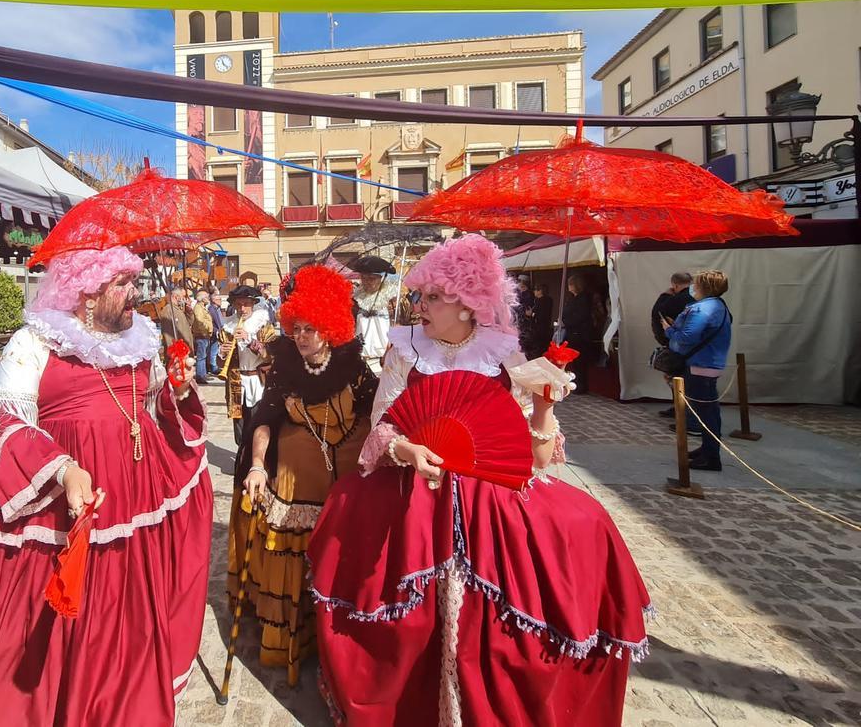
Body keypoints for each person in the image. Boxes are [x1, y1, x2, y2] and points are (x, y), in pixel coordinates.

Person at [307, 235, 651, 726]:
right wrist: (407, 449)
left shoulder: (505, 355)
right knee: (356, 522)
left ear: (468, 304)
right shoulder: (405, 348)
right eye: (419, 295)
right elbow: (382, 427)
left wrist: (544, 408)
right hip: (414, 487)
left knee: (587, 523)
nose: (419, 306)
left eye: (433, 297)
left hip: (491, 493)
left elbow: (536, 457)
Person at [0, 246, 212, 726]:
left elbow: (150, 407)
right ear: (88, 292)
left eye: (133, 281)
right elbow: (8, 422)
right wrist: (64, 469)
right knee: (65, 603)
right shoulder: (35, 341)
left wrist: (178, 388)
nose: (135, 292)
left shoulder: (141, 337)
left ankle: (119, 698)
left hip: (134, 491)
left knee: (126, 604)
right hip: (59, 496)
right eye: (122, 284)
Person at [228, 265, 377, 682]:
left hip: (343, 482)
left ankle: (342, 641)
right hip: (297, 482)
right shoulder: (284, 368)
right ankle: (298, 641)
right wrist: (258, 466)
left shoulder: (356, 369)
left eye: (311, 328)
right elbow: (264, 420)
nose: (302, 336)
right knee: (294, 560)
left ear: (330, 328)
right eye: (297, 328)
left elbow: (377, 416)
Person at [665, 269, 733, 472]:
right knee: (709, 411)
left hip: (700, 365)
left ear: (704, 286)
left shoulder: (703, 308)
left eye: (697, 283)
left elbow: (687, 336)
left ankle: (711, 456)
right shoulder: (719, 305)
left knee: (705, 412)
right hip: (708, 364)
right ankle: (708, 449)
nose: (693, 287)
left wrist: (669, 330)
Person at [220, 284, 275, 445]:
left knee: (257, 424)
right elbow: (220, 361)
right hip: (236, 381)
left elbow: (270, 354)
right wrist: (222, 352)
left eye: (246, 304)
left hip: (258, 381)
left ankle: (256, 457)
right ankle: (241, 456)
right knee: (239, 427)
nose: (242, 308)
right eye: (238, 304)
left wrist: (249, 340)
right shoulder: (228, 327)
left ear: (253, 304)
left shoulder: (263, 325)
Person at [651, 272, 693, 418]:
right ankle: (682, 409)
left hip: (678, 343)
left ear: (674, 285)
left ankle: (682, 411)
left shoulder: (674, 300)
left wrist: (664, 296)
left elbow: (657, 313)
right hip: (698, 346)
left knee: (677, 376)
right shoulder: (699, 298)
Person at [351, 256, 399, 375]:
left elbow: (403, 327)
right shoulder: (355, 301)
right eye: (363, 278)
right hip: (361, 358)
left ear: (381, 278)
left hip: (387, 359)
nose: (366, 282)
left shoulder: (393, 301)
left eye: (371, 278)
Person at [561, 273, 597, 393]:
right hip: (573, 333)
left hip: (580, 334)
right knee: (575, 362)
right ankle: (577, 384)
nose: (569, 287)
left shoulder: (583, 299)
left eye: (571, 284)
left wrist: (566, 322)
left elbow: (581, 316)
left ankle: (581, 386)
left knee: (580, 361)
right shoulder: (572, 298)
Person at [158, 285, 194, 351]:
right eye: (183, 296)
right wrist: (174, 352)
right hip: (178, 352)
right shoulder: (168, 310)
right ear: (176, 297)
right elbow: (168, 335)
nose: (184, 299)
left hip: (185, 349)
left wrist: (189, 312)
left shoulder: (178, 309)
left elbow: (190, 323)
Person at [191, 290, 215, 384]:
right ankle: (200, 376)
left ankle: (203, 375)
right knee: (201, 357)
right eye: (207, 297)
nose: (208, 298)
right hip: (201, 335)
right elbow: (199, 322)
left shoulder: (202, 307)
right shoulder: (198, 308)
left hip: (204, 335)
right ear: (202, 298)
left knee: (203, 356)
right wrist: (205, 332)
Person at [525, 283, 554, 359]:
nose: (534, 291)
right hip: (543, 327)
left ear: (540, 291)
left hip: (540, 327)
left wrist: (531, 314)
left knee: (539, 347)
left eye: (535, 290)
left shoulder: (543, 301)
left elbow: (541, 315)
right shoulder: (544, 300)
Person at [208, 290, 226, 380]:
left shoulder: (217, 309)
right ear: (214, 300)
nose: (221, 301)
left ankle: (214, 365)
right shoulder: (211, 309)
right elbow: (212, 322)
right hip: (215, 332)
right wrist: (217, 331)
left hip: (218, 331)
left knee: (215, 349)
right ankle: (213, 366)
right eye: (219, 299)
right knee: (214, 350)